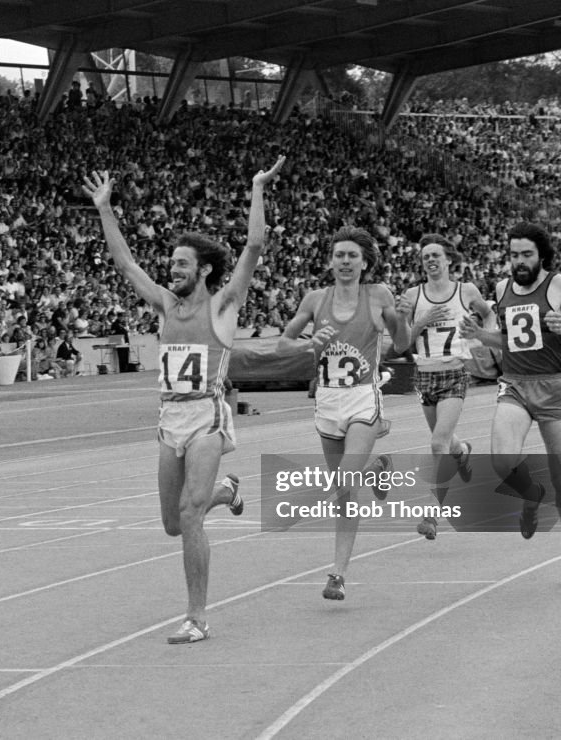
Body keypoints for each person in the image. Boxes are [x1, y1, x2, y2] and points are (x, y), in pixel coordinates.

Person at [82, 154, 285, 644]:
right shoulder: (165, 305)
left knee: (191, 517)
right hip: (168, 417)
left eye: (180, 263)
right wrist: (104, 208)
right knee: (173, 522)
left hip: (206, 416)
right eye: (171, 263)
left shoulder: (223, 305)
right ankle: (226, 493)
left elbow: (254, 245)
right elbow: (125, 262)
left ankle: (197, 616)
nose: (171, 269)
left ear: (205, 269)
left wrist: (257, 187)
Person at [460, 222, 561, 588]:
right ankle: (531, 494)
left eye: (526, 255)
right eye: (513, 255)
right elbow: (507, 341)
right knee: (502, 460)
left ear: (542, 256)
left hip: (552, 387)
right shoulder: (502, 288)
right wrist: (479, 336)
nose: (519, 261)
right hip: (515, 386)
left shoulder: (560, 285)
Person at [278, 226, 410, 602]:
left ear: (365, 262)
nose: (346, 262)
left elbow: (401, 344)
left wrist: (399, 319)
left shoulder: (378, 294)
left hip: (361, 399)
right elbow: (283, 344)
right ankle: (339, 573)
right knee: (343, 493)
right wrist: (308, 344)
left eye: (353, 255)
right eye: (340, 255)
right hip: (326, 402)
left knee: (344, 479)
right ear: (330, 261)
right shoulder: (315, 299)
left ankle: (337, 568)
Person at [397, 235, 493, 540]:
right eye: (425, 257)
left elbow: (488, 314)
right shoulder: (413, 295)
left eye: (436, 255)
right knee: (448, 443)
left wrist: (483, 335)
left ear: (448, 260)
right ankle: (462, 451)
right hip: (424, 376)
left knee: (437, 444)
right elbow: (402, 342)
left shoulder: (466, 291)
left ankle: (431, 513)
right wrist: (421, 320)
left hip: (453, 374)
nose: (431, 261)